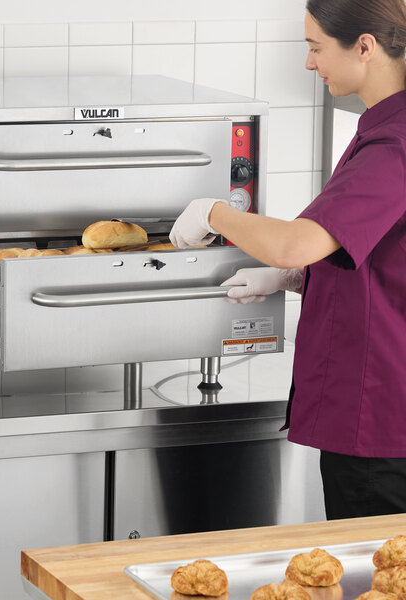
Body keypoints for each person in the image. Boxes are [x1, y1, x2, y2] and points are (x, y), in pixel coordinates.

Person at [169, 0, 406, 520]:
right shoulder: (381, 127)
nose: (309, 62)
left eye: (316, 47)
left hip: (378, 418)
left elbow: (295, 241)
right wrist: (294, 278)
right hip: (381, 410)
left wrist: (213, 213)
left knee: (377, 564)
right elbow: (382, 254)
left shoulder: (394, 144)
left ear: (364, 46)